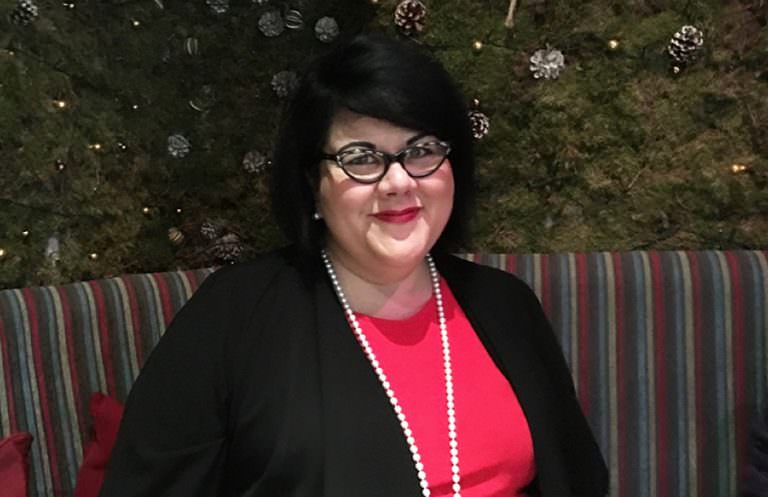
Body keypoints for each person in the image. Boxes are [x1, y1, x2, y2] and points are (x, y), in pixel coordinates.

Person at [100, 32, 608, 497]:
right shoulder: (232, 318)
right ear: (312, 184)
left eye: (421, 151)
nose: (399, 182)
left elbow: (578, 476)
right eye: (362, 158)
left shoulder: (507, 305)